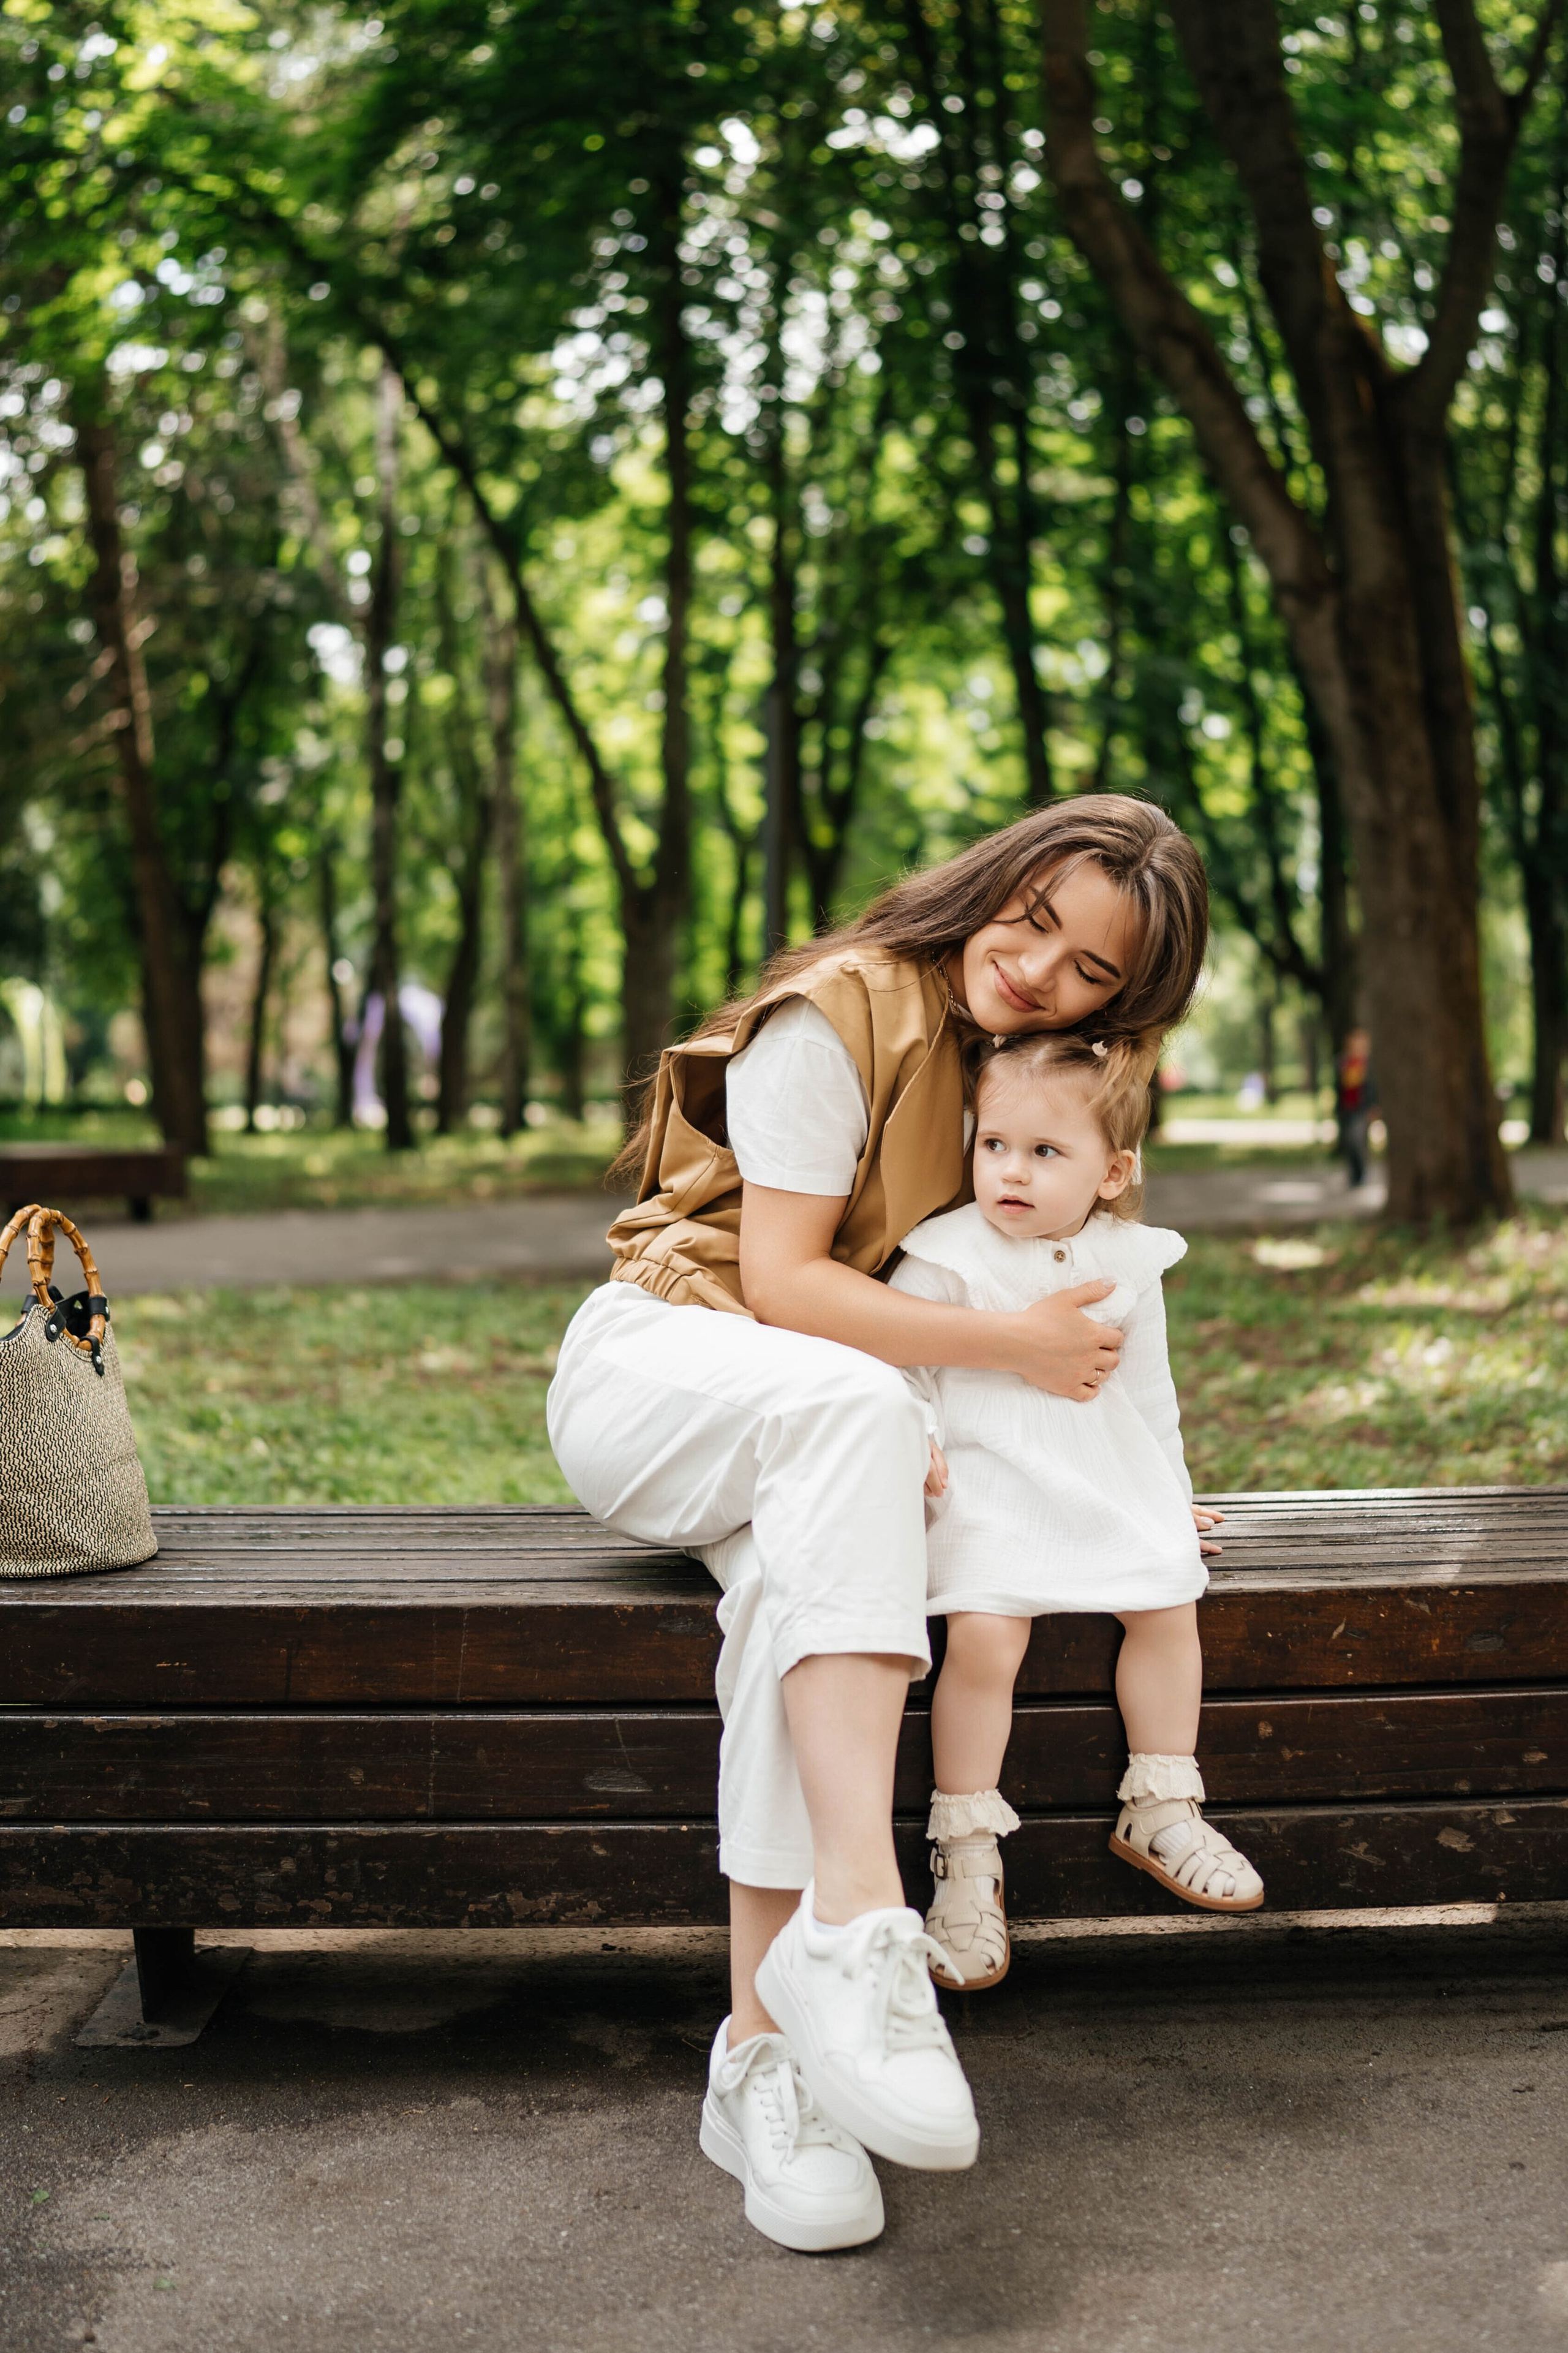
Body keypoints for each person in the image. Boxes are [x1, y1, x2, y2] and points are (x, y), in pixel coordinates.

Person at [546, 795, 1210, 2254]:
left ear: (1128, 1003)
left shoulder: (1050, 1085)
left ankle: (758, 2058)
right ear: (989, 884)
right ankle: (857, 1922)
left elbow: (1066, 1311)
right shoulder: (836, 1014)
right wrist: (989, 1369)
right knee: (854, 1426)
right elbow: (781, 1282)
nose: (1038, 971)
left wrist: (1118, 1484)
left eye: (1090, 968)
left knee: (799, 1579)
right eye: (1031, 919)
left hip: (828, 1419)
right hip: (666, 1360)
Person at [892, 1031, 1264, 1996]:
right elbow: (898, 1366)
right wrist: (913, 1433)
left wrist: (1170, 1496)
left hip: (1099, 1472)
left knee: (1167, 1601)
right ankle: (966, 1849)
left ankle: (1162, 1800)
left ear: (1114, 1171)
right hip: (985, 1479)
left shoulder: (1127, 1263)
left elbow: (1150, 1393)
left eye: (1046, 1153)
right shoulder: (944, 1255)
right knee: (985, 1633)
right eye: (994, 1145)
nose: (1010, 1171)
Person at [1335, 1025, 1378, 1189]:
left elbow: (1372, 1088)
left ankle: (1361, 1174)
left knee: (1358, 1140)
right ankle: (1353, 1174)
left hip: (1361, 1109)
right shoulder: (1343, 1063)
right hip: (1346, 1109)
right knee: (1348, 1141)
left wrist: (1373, 1106)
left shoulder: (1366, 1065)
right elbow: (1339, 1088)